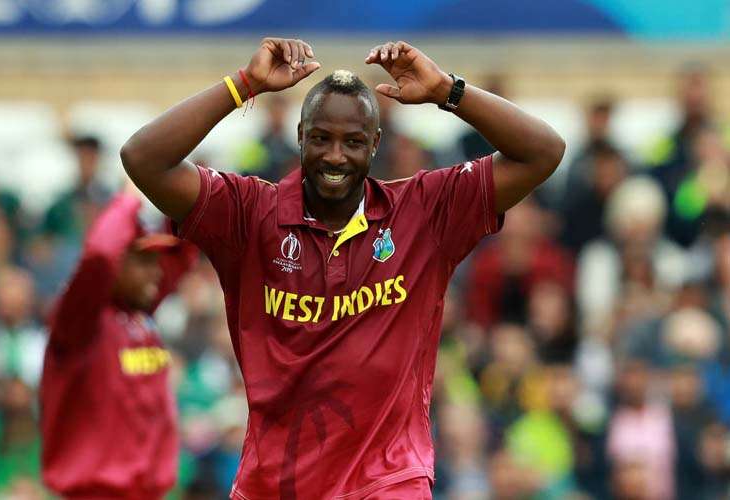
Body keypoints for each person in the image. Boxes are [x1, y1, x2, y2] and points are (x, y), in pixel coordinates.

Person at [121, 37, 565, 499]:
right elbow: (143, 158)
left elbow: (544, 151)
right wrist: (244, 84)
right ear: (300, 136)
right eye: (321, 138)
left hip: (389, 482)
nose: (335, 156)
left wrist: (446, 91)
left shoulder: (424, 211)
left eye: (353, 142)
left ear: (375, 144)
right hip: (274, 485)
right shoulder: (249, 215)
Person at [40, 182, 197, 499]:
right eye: (143, 261)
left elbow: (183, 253)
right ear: (116, 263)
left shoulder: (140, 315)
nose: (156, 272)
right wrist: (127, 199)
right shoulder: (80, 322)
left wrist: (178, 190)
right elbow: (99, 255)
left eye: (155, 262)